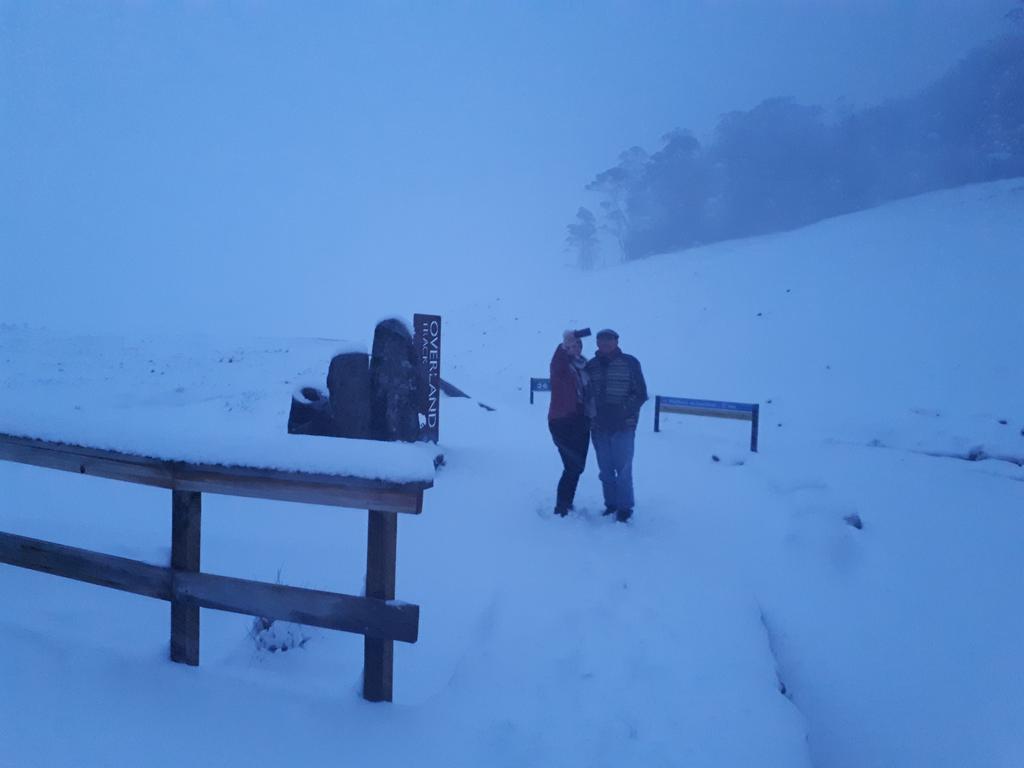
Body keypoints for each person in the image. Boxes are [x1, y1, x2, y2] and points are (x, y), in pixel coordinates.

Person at [585, 329, 647, 522]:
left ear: (617, 341)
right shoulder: (591, 365)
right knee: (605, 470)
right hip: (599, 427)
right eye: (601, 341)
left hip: (624, 426)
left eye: (609, 340)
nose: (605, 344)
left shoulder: (630, 362)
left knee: (623, 470)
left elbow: (641, 394)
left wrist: (622, 411)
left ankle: (625, 508)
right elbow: (586, 394)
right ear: (596, 343)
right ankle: (610, 504)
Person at [548, 330, 591, 517]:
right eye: (571, 346)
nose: (574, 348)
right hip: (561, 421)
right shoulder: (561, 367)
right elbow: (559, 358)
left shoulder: (585, 367)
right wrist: (565, 343)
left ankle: (567, 503)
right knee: (571, 465)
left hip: (581, 421)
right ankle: (561, 507)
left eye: (577, 345)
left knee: (578, 466)